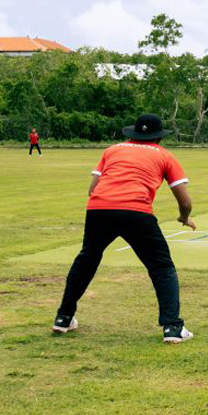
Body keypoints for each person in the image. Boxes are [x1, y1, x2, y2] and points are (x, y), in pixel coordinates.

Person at [52, 113, 196, 344]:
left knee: (87, 259)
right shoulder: (165, 155)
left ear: (134, 134)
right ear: (159, 138)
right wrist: (184, 217)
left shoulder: (112, 150)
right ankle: (172, 327)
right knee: (161, 267)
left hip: (99, 208)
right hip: (136, 211)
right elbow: (185, 201)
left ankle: (63, 318)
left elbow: (92, 188)